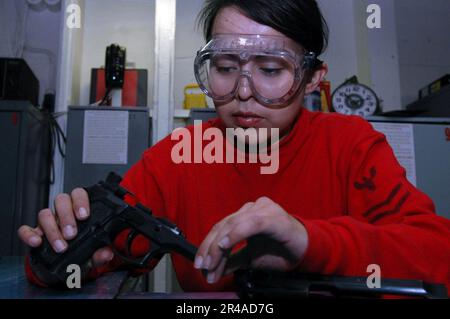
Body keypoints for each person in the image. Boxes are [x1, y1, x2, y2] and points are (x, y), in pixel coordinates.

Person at [19, 0, 450, 294]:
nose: (244, 92)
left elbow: (437, 258)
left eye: (269, 69)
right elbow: (82, 267)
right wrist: (63, 252)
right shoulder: (175, 157)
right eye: (225, 68)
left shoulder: (353, 145)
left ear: (314, 79)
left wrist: (308, 243)